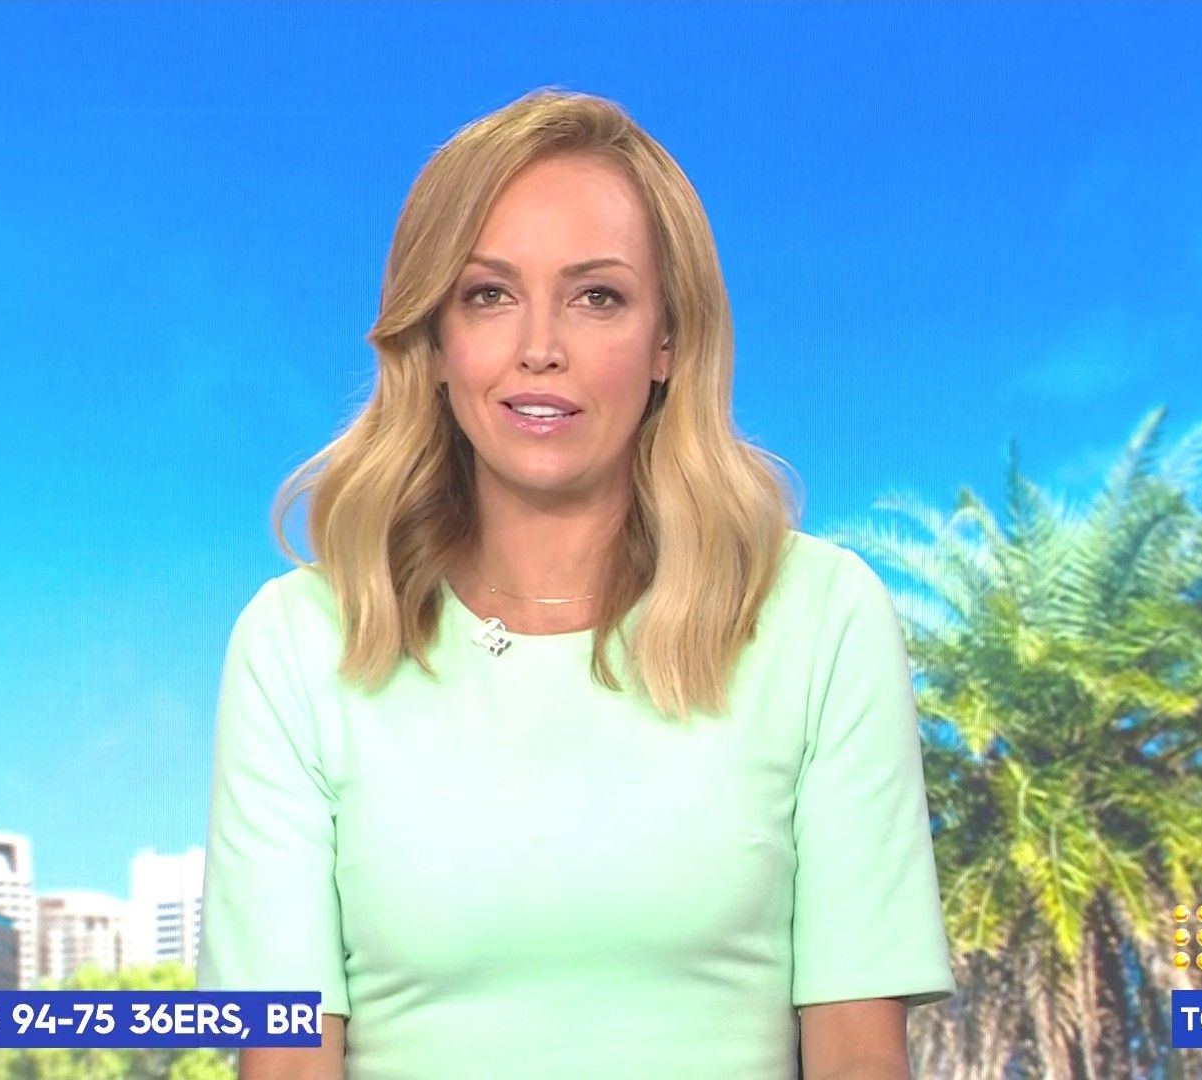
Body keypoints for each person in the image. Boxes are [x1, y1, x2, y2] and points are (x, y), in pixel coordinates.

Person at [196, 86, 954, 1080]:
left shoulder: (822, 618)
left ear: (669, 341)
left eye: (597, 297)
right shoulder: (297, 643)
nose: (540, 348)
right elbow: (288, 1063)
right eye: (488, 295)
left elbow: (859, 1056)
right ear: (434, 340)